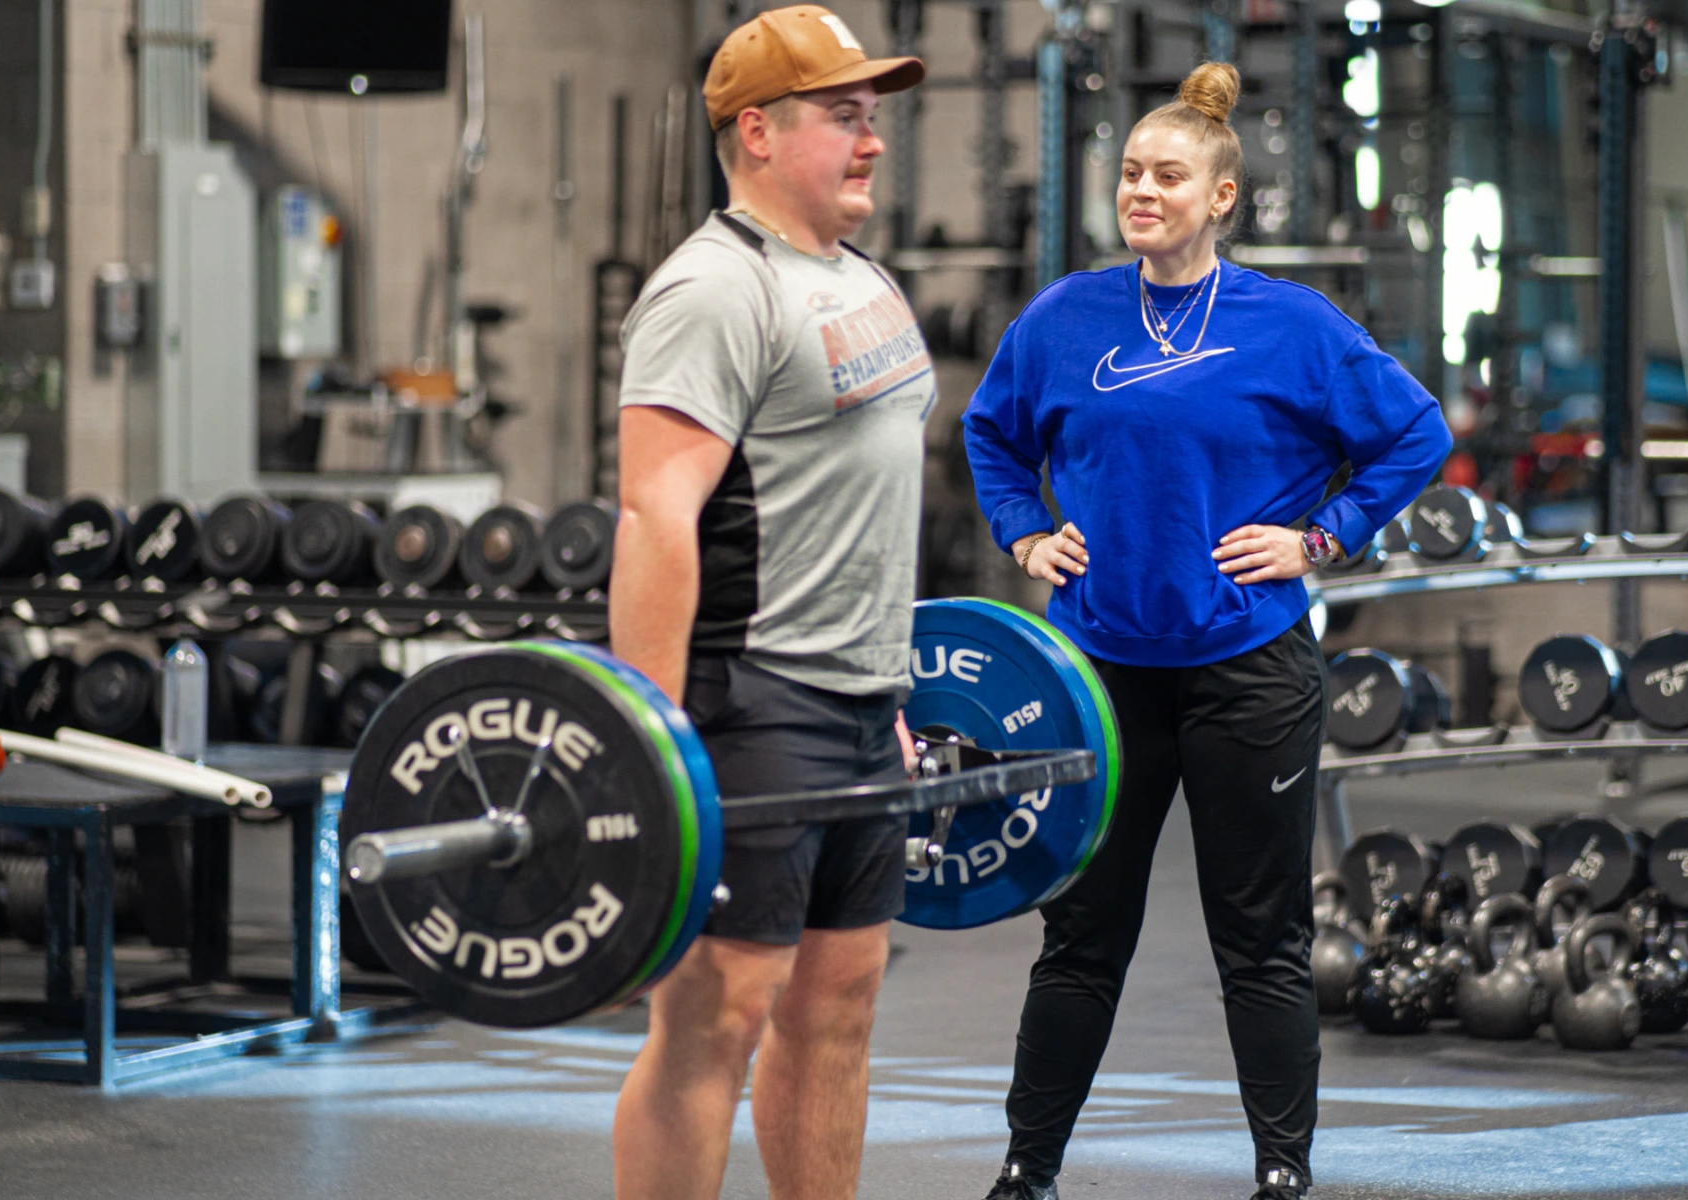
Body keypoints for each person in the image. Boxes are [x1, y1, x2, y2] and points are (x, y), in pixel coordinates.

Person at [961, 62, 1453, 1200]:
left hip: (1248, 669)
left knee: (1260, 942)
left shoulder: (1291, 325)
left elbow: (1413, 435)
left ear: (1220, 196)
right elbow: (992, 434)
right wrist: (1027, 535)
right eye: (1130, 172)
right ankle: (1025, 1173)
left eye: (1167, 175)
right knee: (1081, 938)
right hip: (1096, 675)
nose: (1142, 190)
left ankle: (1284, 1174)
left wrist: (1320, 539)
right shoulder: (1066, 316)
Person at [604, 8, 932, 1199]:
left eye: (872, 117)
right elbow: (656, 516)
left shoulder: (858, 279)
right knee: (716, 1017)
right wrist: (647, 740)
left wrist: (885, 681)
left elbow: (868, 499)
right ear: (757, 131)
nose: (872, 142)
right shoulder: (711, 290)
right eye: (844, 117)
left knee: (836, 1008)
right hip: (751, 702)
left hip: (857, 703)